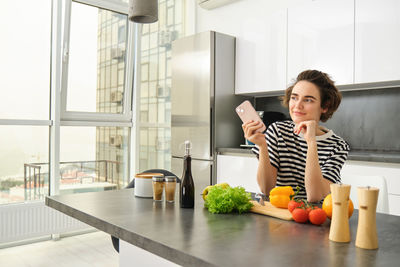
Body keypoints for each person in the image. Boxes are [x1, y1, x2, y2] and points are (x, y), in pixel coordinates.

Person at [243, 70, 350, 203]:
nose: (297, 106)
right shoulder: (278, 131)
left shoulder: (338, 146)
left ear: (325, 106)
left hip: (316, 216)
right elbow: (266, 189)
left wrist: (311, 142)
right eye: (294, 97)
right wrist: (262, 146)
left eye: (308, 100)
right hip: (282, 213)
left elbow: (314, 197)